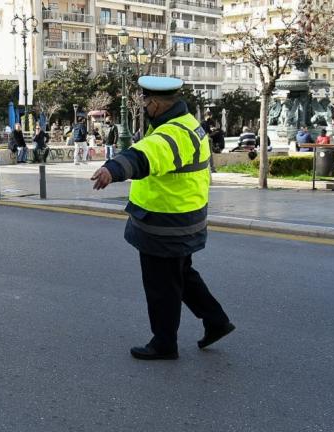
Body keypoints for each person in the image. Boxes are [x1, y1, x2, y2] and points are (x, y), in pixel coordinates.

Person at [90, 75, 234, 361]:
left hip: (164, 224)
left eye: (145, 101)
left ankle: (164, 343)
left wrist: (112, 169)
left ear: (155, 103)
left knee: (161, 287)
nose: (143, 106)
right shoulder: (190, 125)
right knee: (181, 276)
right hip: (187, 217)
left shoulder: (168, 135)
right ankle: (216, 321)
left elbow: (142, 156)